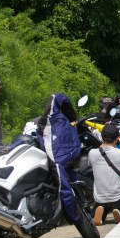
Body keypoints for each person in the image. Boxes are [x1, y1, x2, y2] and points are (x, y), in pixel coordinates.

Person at [36, 93, 82, 223]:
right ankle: (73, 214)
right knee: (68, 184)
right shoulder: (63, 119)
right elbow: (58, 96)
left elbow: (55, 96)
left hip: (59, 159)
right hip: (73, 156)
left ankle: (73, 216)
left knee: (64, 187)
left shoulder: (47, 122)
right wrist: (71, 115)